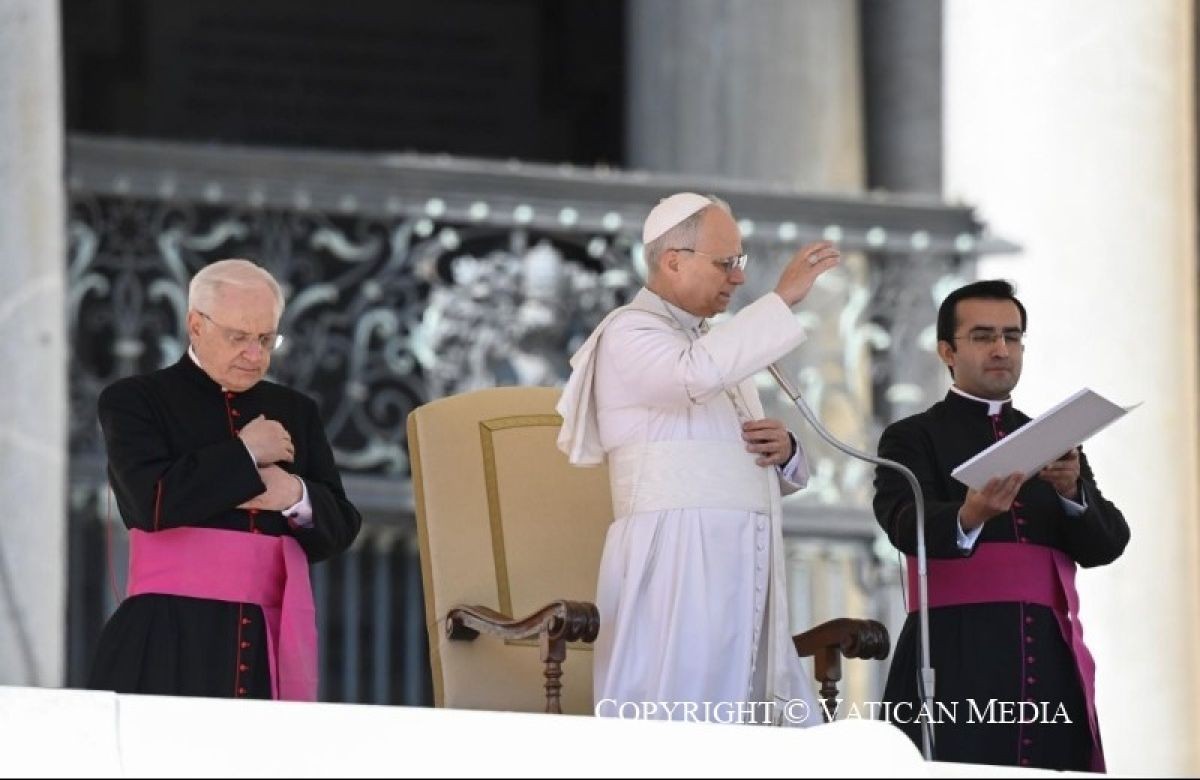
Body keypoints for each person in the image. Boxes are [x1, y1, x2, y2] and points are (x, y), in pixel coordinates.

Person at [557, 192, 840, 724]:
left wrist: (786, 452)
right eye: (725, 263)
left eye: (740, 263)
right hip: (675, 562)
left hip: (740, 561)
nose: (737, 277)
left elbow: (726, 466)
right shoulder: (628, 332)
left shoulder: (710, 344)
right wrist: (780, 301)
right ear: (673, 260)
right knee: (682, 720)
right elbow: (692, 377)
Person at [873, 279, 1129, 771]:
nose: (1001, 349)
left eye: (1012, 337)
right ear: (947, 350)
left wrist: (1072, 493)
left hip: (1049, 656)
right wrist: (971, 515)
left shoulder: (1054, 439)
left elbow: (1107, 544)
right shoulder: (911, 437)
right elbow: (902, 524)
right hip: (954, 654)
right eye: (984, 336)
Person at [88, 259, 362, 701]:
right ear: (195, 325)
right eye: (239, 338)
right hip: (165, 638)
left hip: (265, 643)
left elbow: (340, 529)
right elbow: (149, 503)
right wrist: (245, 454)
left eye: (266, 339)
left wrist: (295, 496)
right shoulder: (135, 400)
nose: (255, 355)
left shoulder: (297, 411)